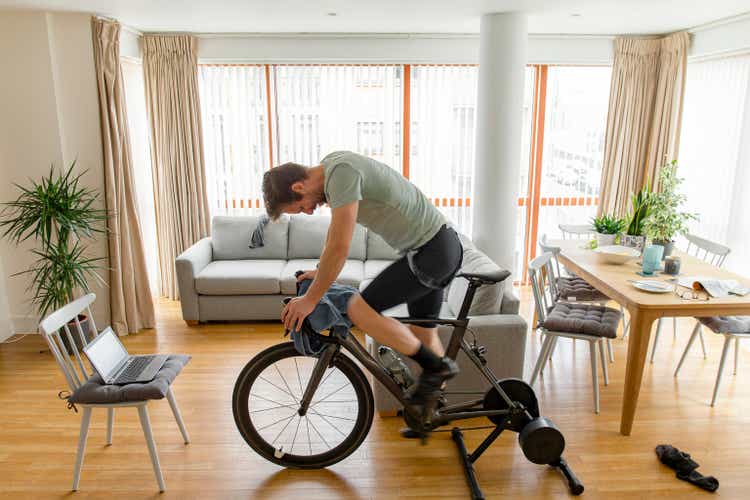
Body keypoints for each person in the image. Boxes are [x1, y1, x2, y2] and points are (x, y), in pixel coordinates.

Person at [262, 151, 464, 406]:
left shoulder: (341, 172)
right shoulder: (333, 167)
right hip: (434, 247)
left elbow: (339, 246)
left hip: (433, 251)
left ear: (299, 186)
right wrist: (319, 272)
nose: (310, 211)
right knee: (423, 335)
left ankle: (438, 368)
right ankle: (434, 410)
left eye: (302, 206)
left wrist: (309, 300)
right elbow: (334, 238)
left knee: (358, 309)